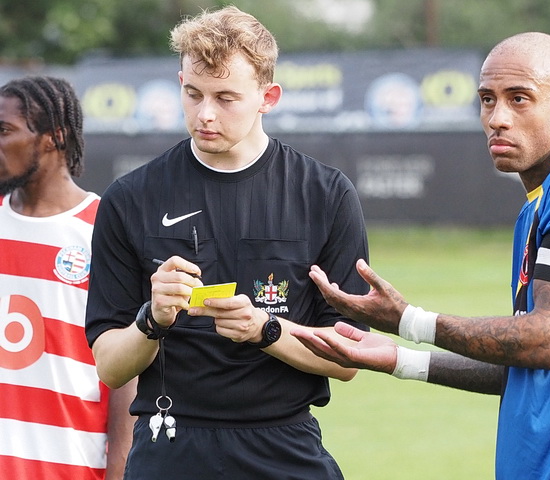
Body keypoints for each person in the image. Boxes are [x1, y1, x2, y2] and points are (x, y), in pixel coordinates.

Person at [292, 32, 550, 479]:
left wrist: (409, 320)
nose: (497, 118)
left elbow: (549, 341)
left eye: (520, 99)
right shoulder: (542, 199)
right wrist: (398, 359)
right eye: (487, 99)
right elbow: (528, 368)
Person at [84, 6, 369, 480]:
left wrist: (266, 331)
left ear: (268, 96)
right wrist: (151, 319)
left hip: (284, 444)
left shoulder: (325, 194)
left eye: (226, 97)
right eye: (192, 94)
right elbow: (111, 367)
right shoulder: (130, 198)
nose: (205, 113)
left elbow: (348, 360)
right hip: (171, 443)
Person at [0, 76, 135, 479]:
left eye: (5, 131)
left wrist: (119, 472)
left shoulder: (104, 230)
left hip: (71, 467)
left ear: (53, 138)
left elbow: (128, 376)